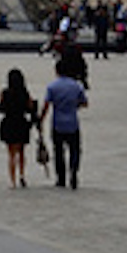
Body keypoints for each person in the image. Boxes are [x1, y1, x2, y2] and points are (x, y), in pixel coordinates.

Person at [37, 57, 89, 190]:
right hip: (73, 123)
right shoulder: (76, 86)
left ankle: (61, 178)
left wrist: (40, 120)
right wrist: (74, 106)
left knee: (58, 151)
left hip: (57, 123)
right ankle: (74, 172)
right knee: (75, 150)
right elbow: (84, 103)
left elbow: (46, 106)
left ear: (56, 71)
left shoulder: (52, 87)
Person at [0, 67, 38, 188]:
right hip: (21, 123)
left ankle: (12, 181)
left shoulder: (5, 93)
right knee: (22, 152)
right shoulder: (25, 93)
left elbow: (1, 107)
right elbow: (30, 108)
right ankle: (22, 175)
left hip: (9, 123)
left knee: (11, 154)